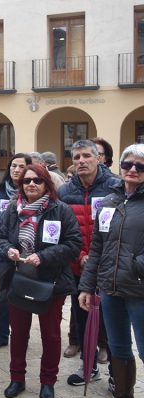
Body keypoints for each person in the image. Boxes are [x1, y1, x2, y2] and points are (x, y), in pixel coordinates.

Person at [0, 164, 81, 398]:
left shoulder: (60, 210)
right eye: (26, 181)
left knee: (51, 335)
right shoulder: (13, 209)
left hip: (50, 281)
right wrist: (8, 249)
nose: (31, 184)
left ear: (47, 184)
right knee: (19, 333)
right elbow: (0, 237)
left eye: (37, 180)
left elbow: (73, 244)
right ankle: (17, 379)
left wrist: (44, 256)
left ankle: (47, 382)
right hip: (18, 279)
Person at [79, 143, 144, 398]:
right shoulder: (109, 201)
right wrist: (87, 285)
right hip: (110, 288)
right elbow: (97, 248)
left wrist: (137, 266)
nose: (132, 170)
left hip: (140, 289)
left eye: (140, 166)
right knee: (118, 347)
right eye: (128, 164)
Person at [58, 139, 119, 383]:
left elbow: (120, 230)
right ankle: (89, 366)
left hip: (109, 268)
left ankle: (118, 375)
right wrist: (80, 256)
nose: (81, 161)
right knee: (82, 318)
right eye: (76, 157)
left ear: (98, 159)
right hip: (77, 267)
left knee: (113, 322)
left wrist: (96, 258)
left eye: (86, 156)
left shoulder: (116, 187)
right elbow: (62, 231)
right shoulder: (65, 192)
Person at [0, 153, 32, 351]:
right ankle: (1, 334)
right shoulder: (1, 192)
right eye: (13, 166)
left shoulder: (34, 191)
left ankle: (23, 334)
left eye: (21, 166)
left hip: (27, 253)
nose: (16, 170)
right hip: (6, 250)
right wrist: (12, 214)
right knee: (4, 295)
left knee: (26, 295)